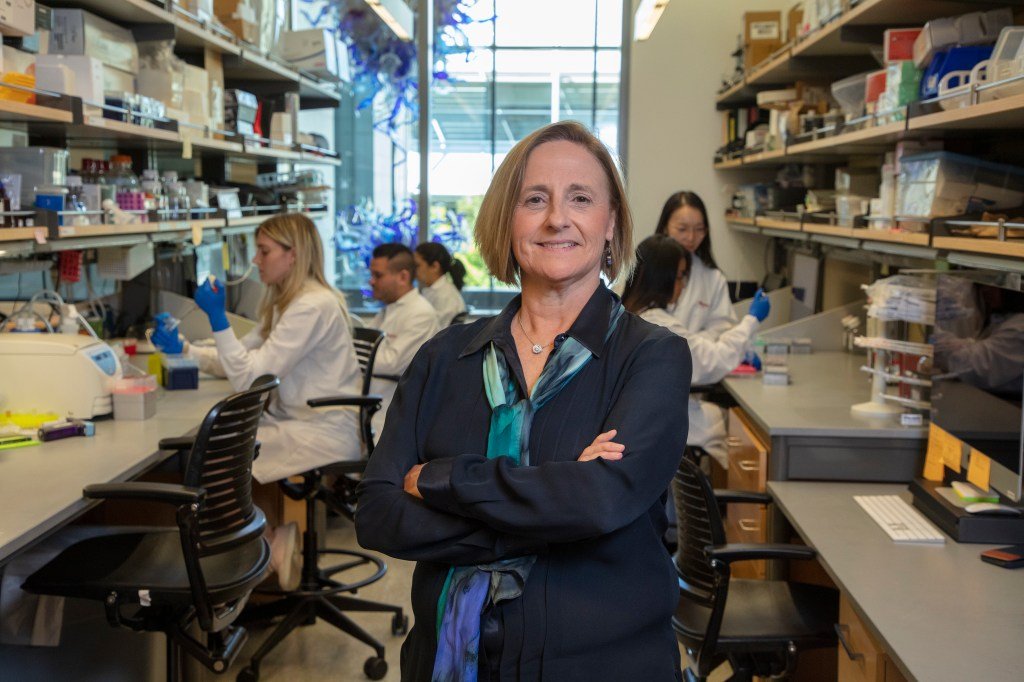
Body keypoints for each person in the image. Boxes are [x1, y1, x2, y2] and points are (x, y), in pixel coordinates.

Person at [357, 121, 692, 681]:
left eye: (580, 198)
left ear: (610, 223)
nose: (557, 218)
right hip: (445, 663)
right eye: (535, 199)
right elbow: (376, 515)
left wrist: (441, 479)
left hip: (601, 667)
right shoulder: (444, 357)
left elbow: (599, 502)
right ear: (506, 220)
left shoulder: (653, 357)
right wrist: (555, 507)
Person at [151, 213, 363, 588]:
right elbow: (242, 359)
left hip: (320, 430)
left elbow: (249, 378)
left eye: (264, 251)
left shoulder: (312, 306)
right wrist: (184, 349)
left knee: (215, 459)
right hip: (298, 421)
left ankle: (262, 548)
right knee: (215, 451)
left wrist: (218, 319)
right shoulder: (288, 302)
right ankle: (266, 544)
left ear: (292, 255)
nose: (255, 260)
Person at [623, 234, 770, 467]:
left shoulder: (632, 313)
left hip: (644, 422)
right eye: (680, 276)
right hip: (660, 424)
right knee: (735, 429)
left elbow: (698, 349)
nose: (683, 285)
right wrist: (752, 320)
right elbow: (711, 362)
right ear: (663, 278)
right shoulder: (660, 325)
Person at [368, 243, 442, 437]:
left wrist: (351, 355)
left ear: (403, 277)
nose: (371, 281)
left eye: (378, 275)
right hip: (371, 399)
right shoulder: (388, 310)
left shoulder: (420, 313)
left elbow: (388, 363)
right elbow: (365, 353)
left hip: (388, 410)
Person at [654, 191, 737, 341]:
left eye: (699, 229)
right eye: (682, 229)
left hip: (699, 355)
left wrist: (691, 343)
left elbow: (723, 329)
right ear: (665, 227)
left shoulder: (713, 278)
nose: (691, 237)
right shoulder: (646, 269)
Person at [415, 241, 468, 326]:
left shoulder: (445, 296)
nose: (413, 270)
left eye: (417, 265)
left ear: (435, 266)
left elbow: (435, 331)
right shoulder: (436, 291)